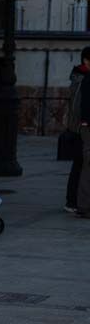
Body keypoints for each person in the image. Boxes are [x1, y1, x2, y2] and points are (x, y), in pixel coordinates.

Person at [68, 47, 90, 217]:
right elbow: (78, 106)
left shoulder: (80, 77)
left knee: (82, 163)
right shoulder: (82, 78)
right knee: (82, 164)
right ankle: (76, 202)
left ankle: (76, 201)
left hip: (81, 126)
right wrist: (81, 123)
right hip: (82, 127)